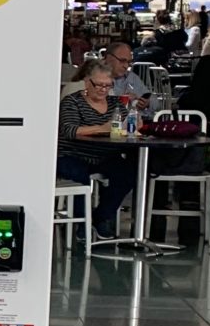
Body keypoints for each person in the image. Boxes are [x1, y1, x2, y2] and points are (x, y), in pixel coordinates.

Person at [57, 63, 139, 237]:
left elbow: (131, 124)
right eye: (99, 85)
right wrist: (103, 127)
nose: (103, 89)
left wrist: (133, 116)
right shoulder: (72, 101)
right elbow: (71, 130)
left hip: (104, 154)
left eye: (108, 85)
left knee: (127, 173)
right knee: (80, 177)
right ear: (87, 82)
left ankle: (100, 218)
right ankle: (82, 226)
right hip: (73, 154)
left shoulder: (115, 103)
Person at [61, 40, 147, 102]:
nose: (126, 66)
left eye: (129, 62)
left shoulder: (130, 78)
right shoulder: (76, 92)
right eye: (122, 60)